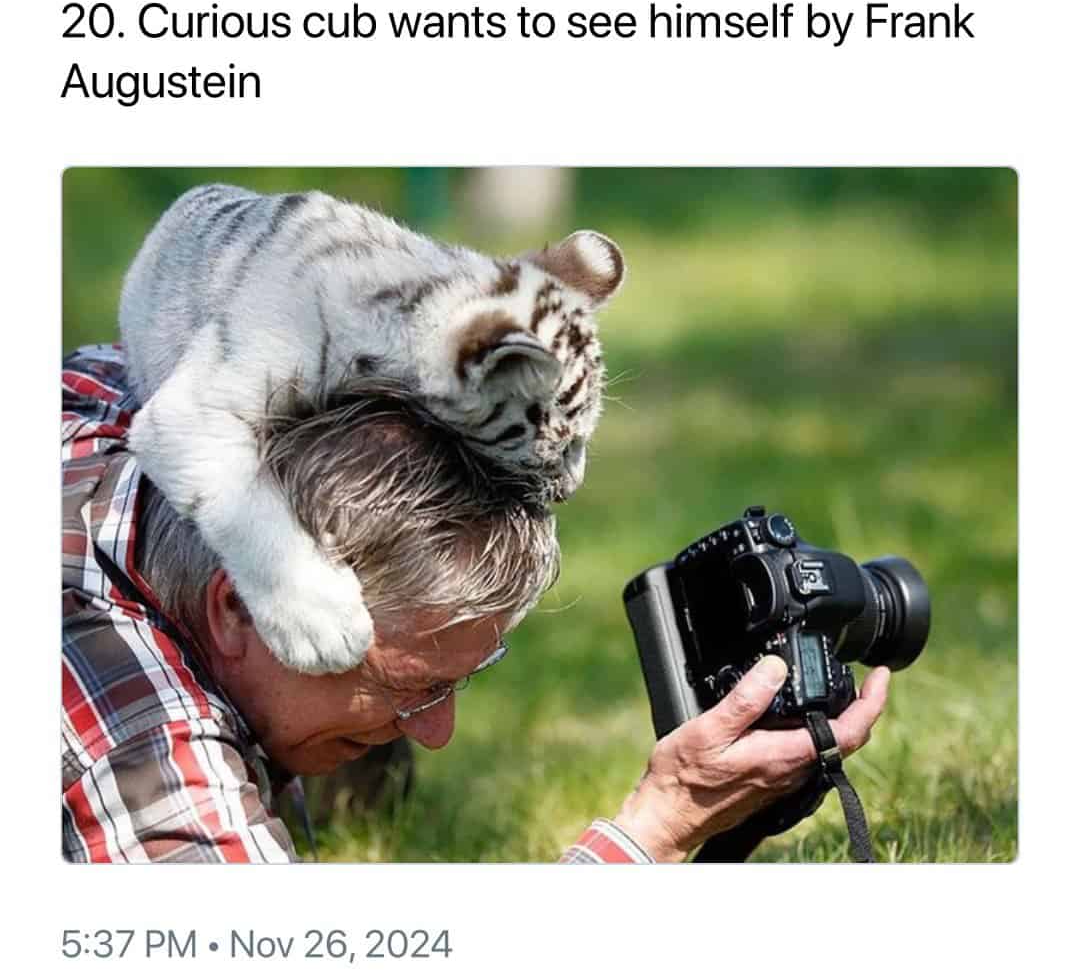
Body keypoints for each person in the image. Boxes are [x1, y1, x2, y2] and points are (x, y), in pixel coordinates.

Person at [62, 344, 888, 863]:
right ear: (240, 607)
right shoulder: (137, 739)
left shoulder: (152, 385)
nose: (441, 732)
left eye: (464, 676)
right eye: (413, 686)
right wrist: (656, 831)